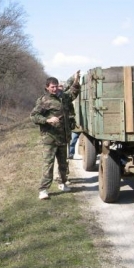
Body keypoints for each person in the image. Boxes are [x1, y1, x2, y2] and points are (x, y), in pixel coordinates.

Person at [30, 71, 81, 200]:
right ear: (47, 87)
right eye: (52, 87)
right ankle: (43, 190)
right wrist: (47, 120)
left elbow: (73, 93)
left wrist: (76, 80)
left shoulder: (63, 97)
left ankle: (62, 183)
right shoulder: (43, 100)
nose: (54, 89)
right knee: (48, 164)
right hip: (49, 138)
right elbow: (34, 116)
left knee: (63, 163)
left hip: (63, 137)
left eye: (56, 86)